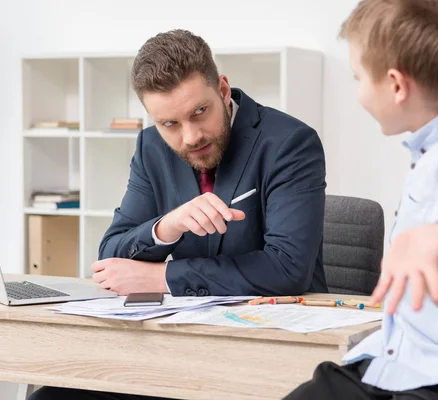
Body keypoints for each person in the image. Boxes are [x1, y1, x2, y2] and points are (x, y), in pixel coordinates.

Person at [30, 29, 328, 400]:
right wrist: (166, 227)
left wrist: (162, 275)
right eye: (169, 123)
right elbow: (111, 257)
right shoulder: (151, 145)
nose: (190, 137)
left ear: (222, 89)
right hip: (181, 342)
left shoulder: (290, 143)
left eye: (199, 112)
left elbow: (287, 269)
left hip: (272, 345)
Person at [284, 0, 438, 399]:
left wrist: (435, 258)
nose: (359, 94)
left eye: (358, 78)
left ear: (397, 85)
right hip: (408, 362)